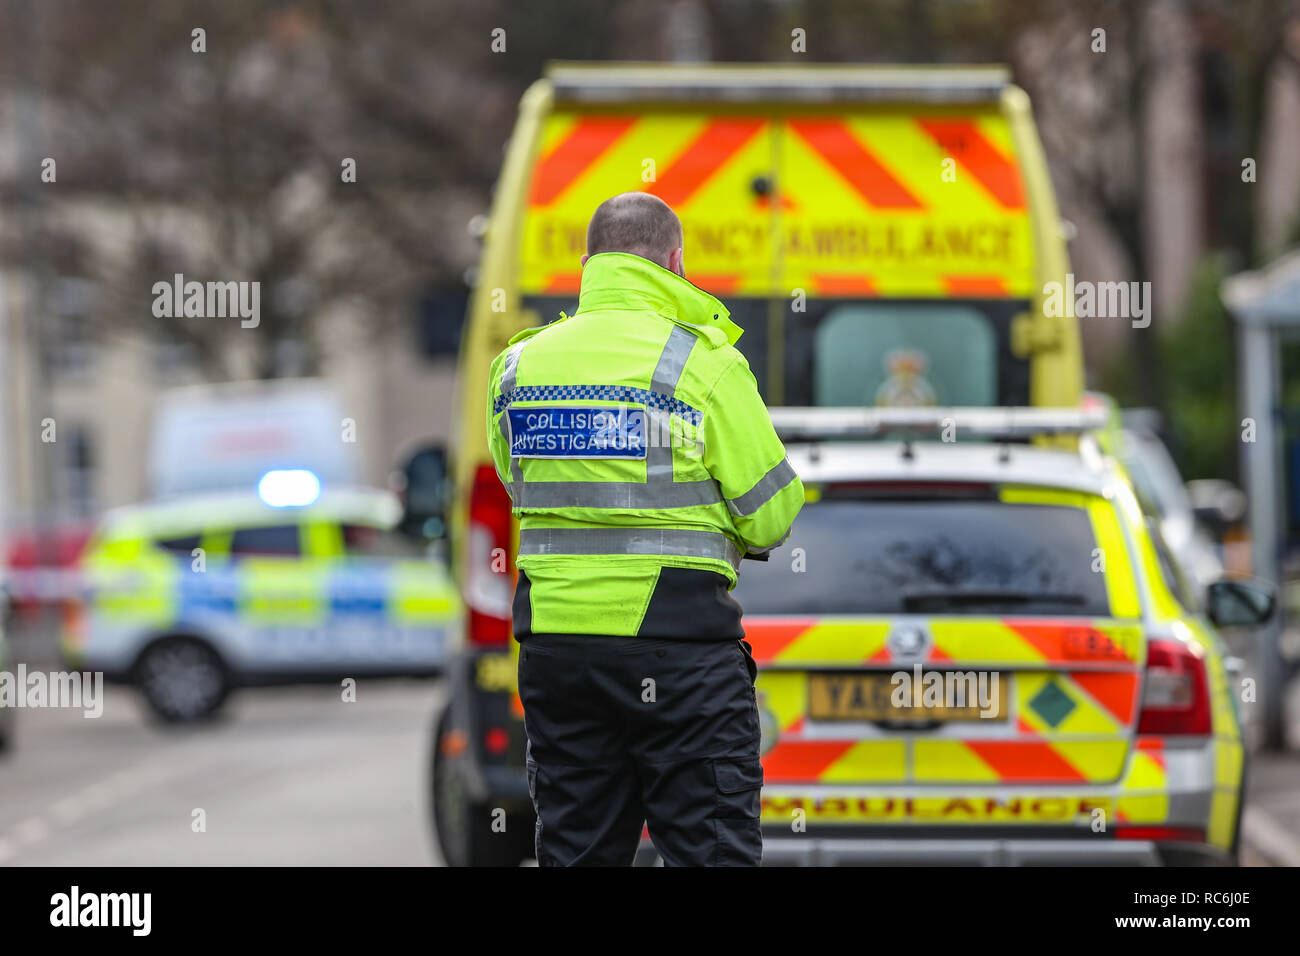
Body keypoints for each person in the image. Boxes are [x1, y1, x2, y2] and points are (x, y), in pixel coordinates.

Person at [486, 191, 803, 866]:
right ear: (676, 261)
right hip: (679, 648)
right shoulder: (704, 365)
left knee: (578, 848)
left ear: (588, 264)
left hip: (559, 650)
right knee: (708, 847)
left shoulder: (517, 367)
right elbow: (771, 513)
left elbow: (523, 483)